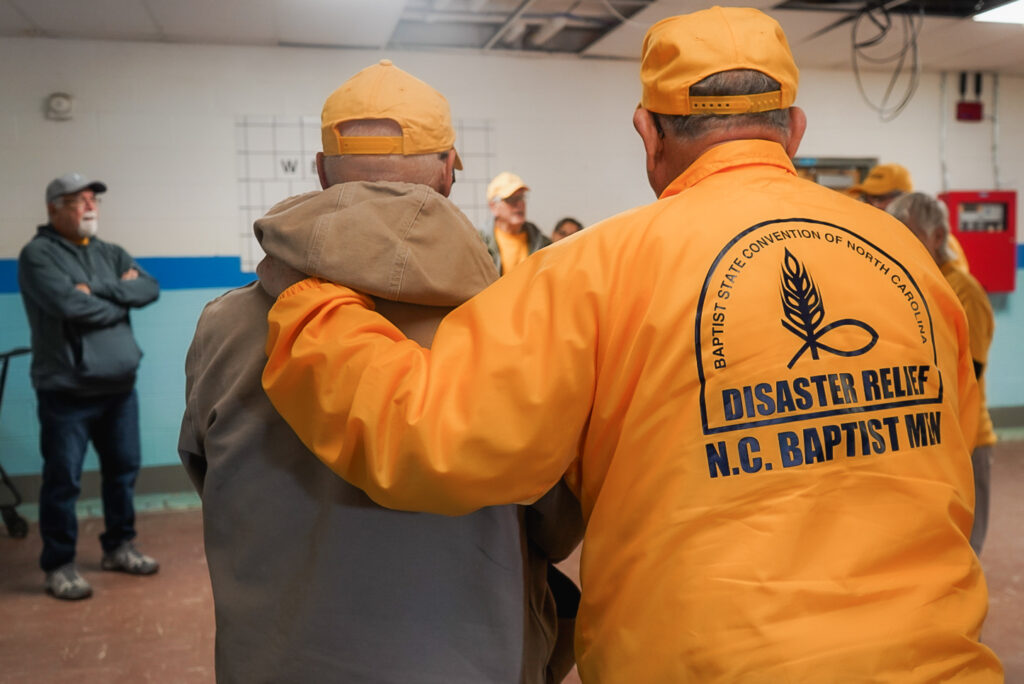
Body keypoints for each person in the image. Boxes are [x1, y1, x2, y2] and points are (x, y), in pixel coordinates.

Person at [260, 8, 1001, 680]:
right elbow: (957, 459)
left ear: (648, 132)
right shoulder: (911, 261)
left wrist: (309, 303)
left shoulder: (593, 270)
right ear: (794, 128)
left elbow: (430, 438)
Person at [179, 60, 582, 683]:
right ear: (449, 171)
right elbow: (554, 519)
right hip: (475, 658)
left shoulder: (225, 327)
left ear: (320, 171)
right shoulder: (517, 322)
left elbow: (213, 482)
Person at [18, 173, 160, 601]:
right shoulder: (37, 255)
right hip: (66, 391)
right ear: (53, 208)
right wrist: (121, 296)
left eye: (92, 198)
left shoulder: (110, 252)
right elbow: (67, 305)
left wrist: (97, 291)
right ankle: (58, 565)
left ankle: (119, 547)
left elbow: (149, 288)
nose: (89, 206)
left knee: (123, 472)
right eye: (77, 200)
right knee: (63, 480)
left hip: (119, 388)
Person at [888, 192, 997, 555]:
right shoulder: (908, 283)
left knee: (965, 546)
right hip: (924, 433)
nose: (899, 241)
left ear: (937, 237)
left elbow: (971, 370)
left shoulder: (964, 290)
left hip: (965, 435)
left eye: (910, 232)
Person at [480, 172, 550, 274]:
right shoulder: (480, 243)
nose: (519, 204)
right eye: (511, 199)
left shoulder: (542, 243)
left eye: (521, 197)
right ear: (493, 207)